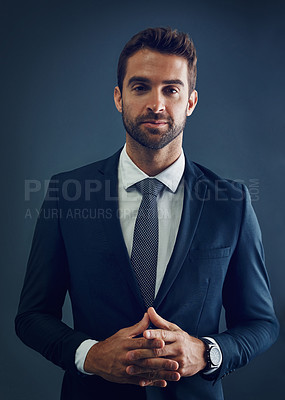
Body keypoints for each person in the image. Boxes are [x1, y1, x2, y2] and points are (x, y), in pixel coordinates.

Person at [15, 27, 279, 400]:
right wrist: (90, 355)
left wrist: (205, 353)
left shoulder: (230, 202)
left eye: (171, 89)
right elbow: (31, 317)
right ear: (119, 97)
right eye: (141, 87)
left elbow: (261, 323)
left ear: (190, 102)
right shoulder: (67, 195)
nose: (157, 104)